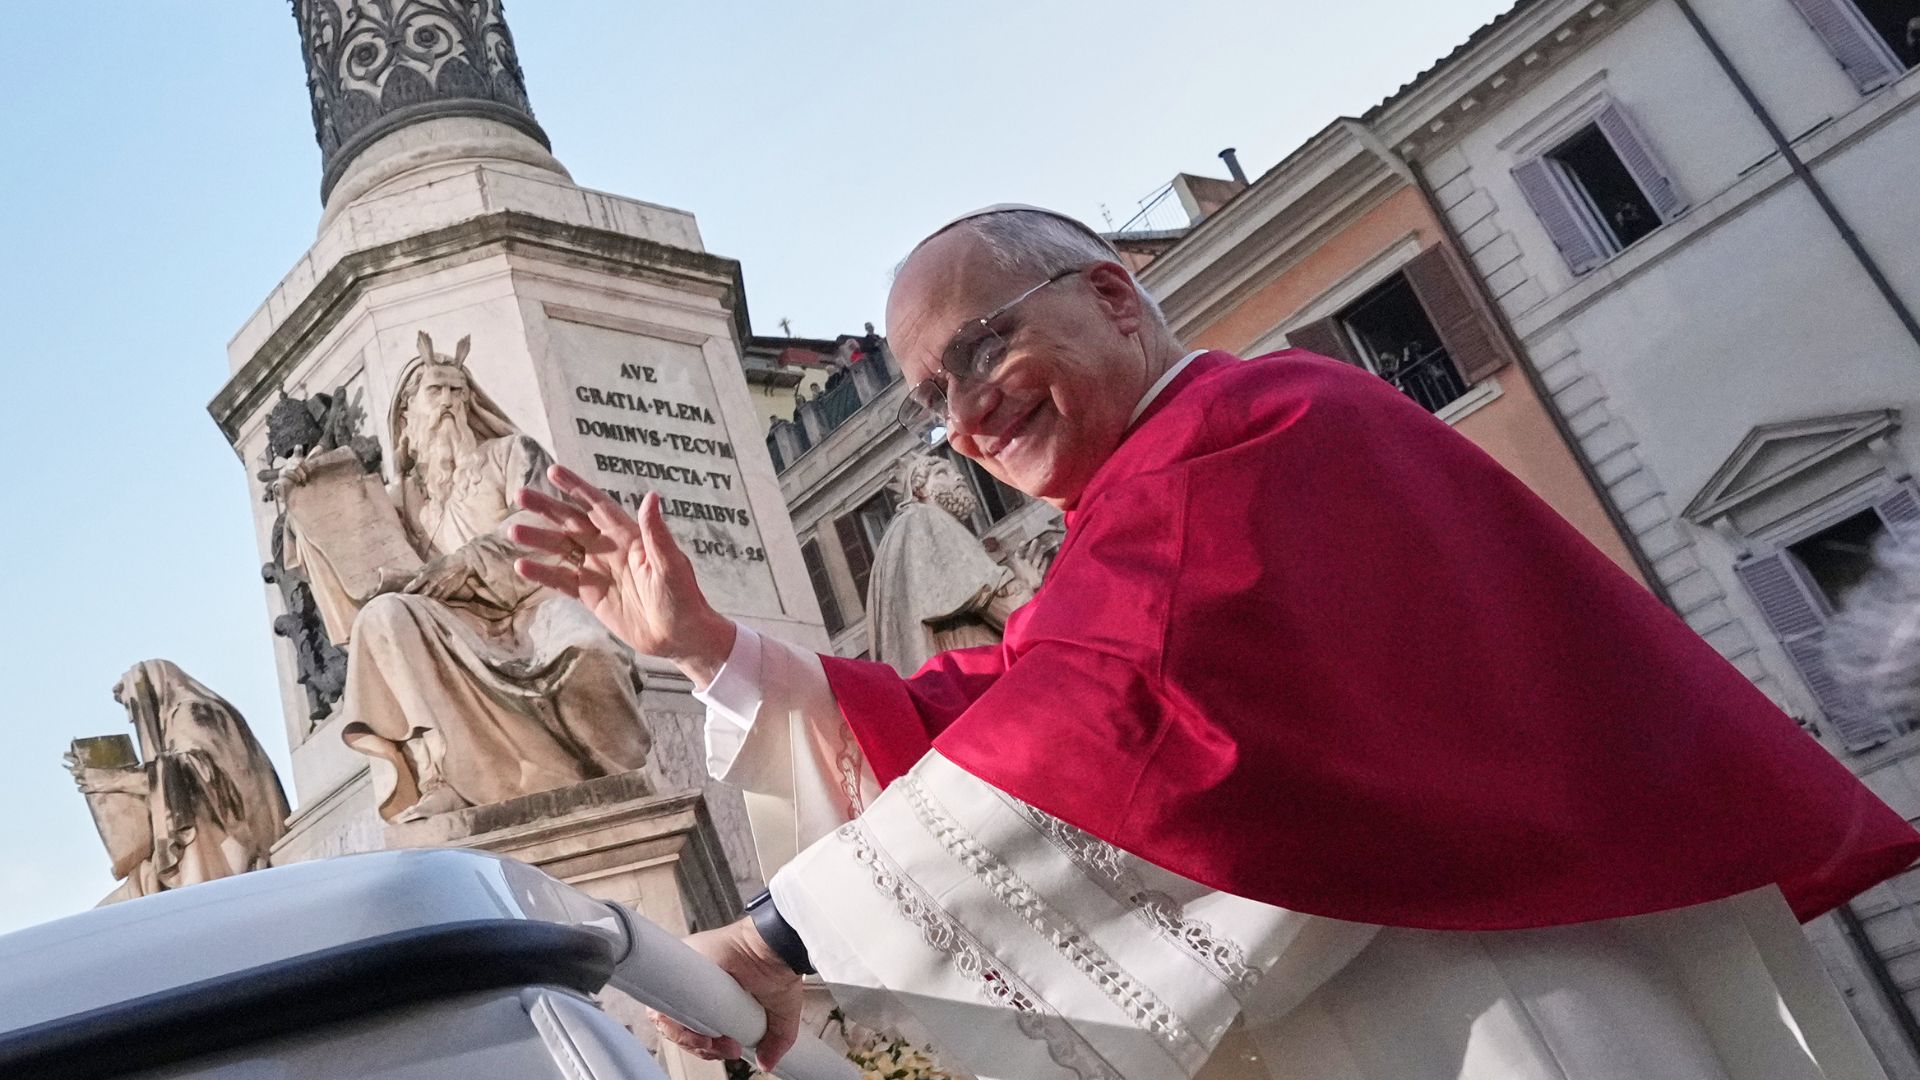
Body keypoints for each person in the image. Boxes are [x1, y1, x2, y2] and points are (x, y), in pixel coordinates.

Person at [513, 207, 1920, 1080]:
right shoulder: (1140, 509)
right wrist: (713, 648)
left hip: (1488, 999)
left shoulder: (1255, 432)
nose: (963, 420)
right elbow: (1000, 702)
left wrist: (778, 939)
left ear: (1114, 295)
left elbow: (1120, 717)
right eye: (929, 401)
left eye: (980, 352)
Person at [285, 333, 651, 823]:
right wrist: (303, 501)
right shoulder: (399, 502)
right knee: (383, 616)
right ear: (406, 418)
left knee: (588, 647)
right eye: (435, 393)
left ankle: (614, 776)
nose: (449, 405)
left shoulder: (513, 453)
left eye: (458, 392)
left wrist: (467, 562)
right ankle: (446, 774)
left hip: (533, 601)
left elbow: (546, 526)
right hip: (455, 624)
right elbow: (348, 559)